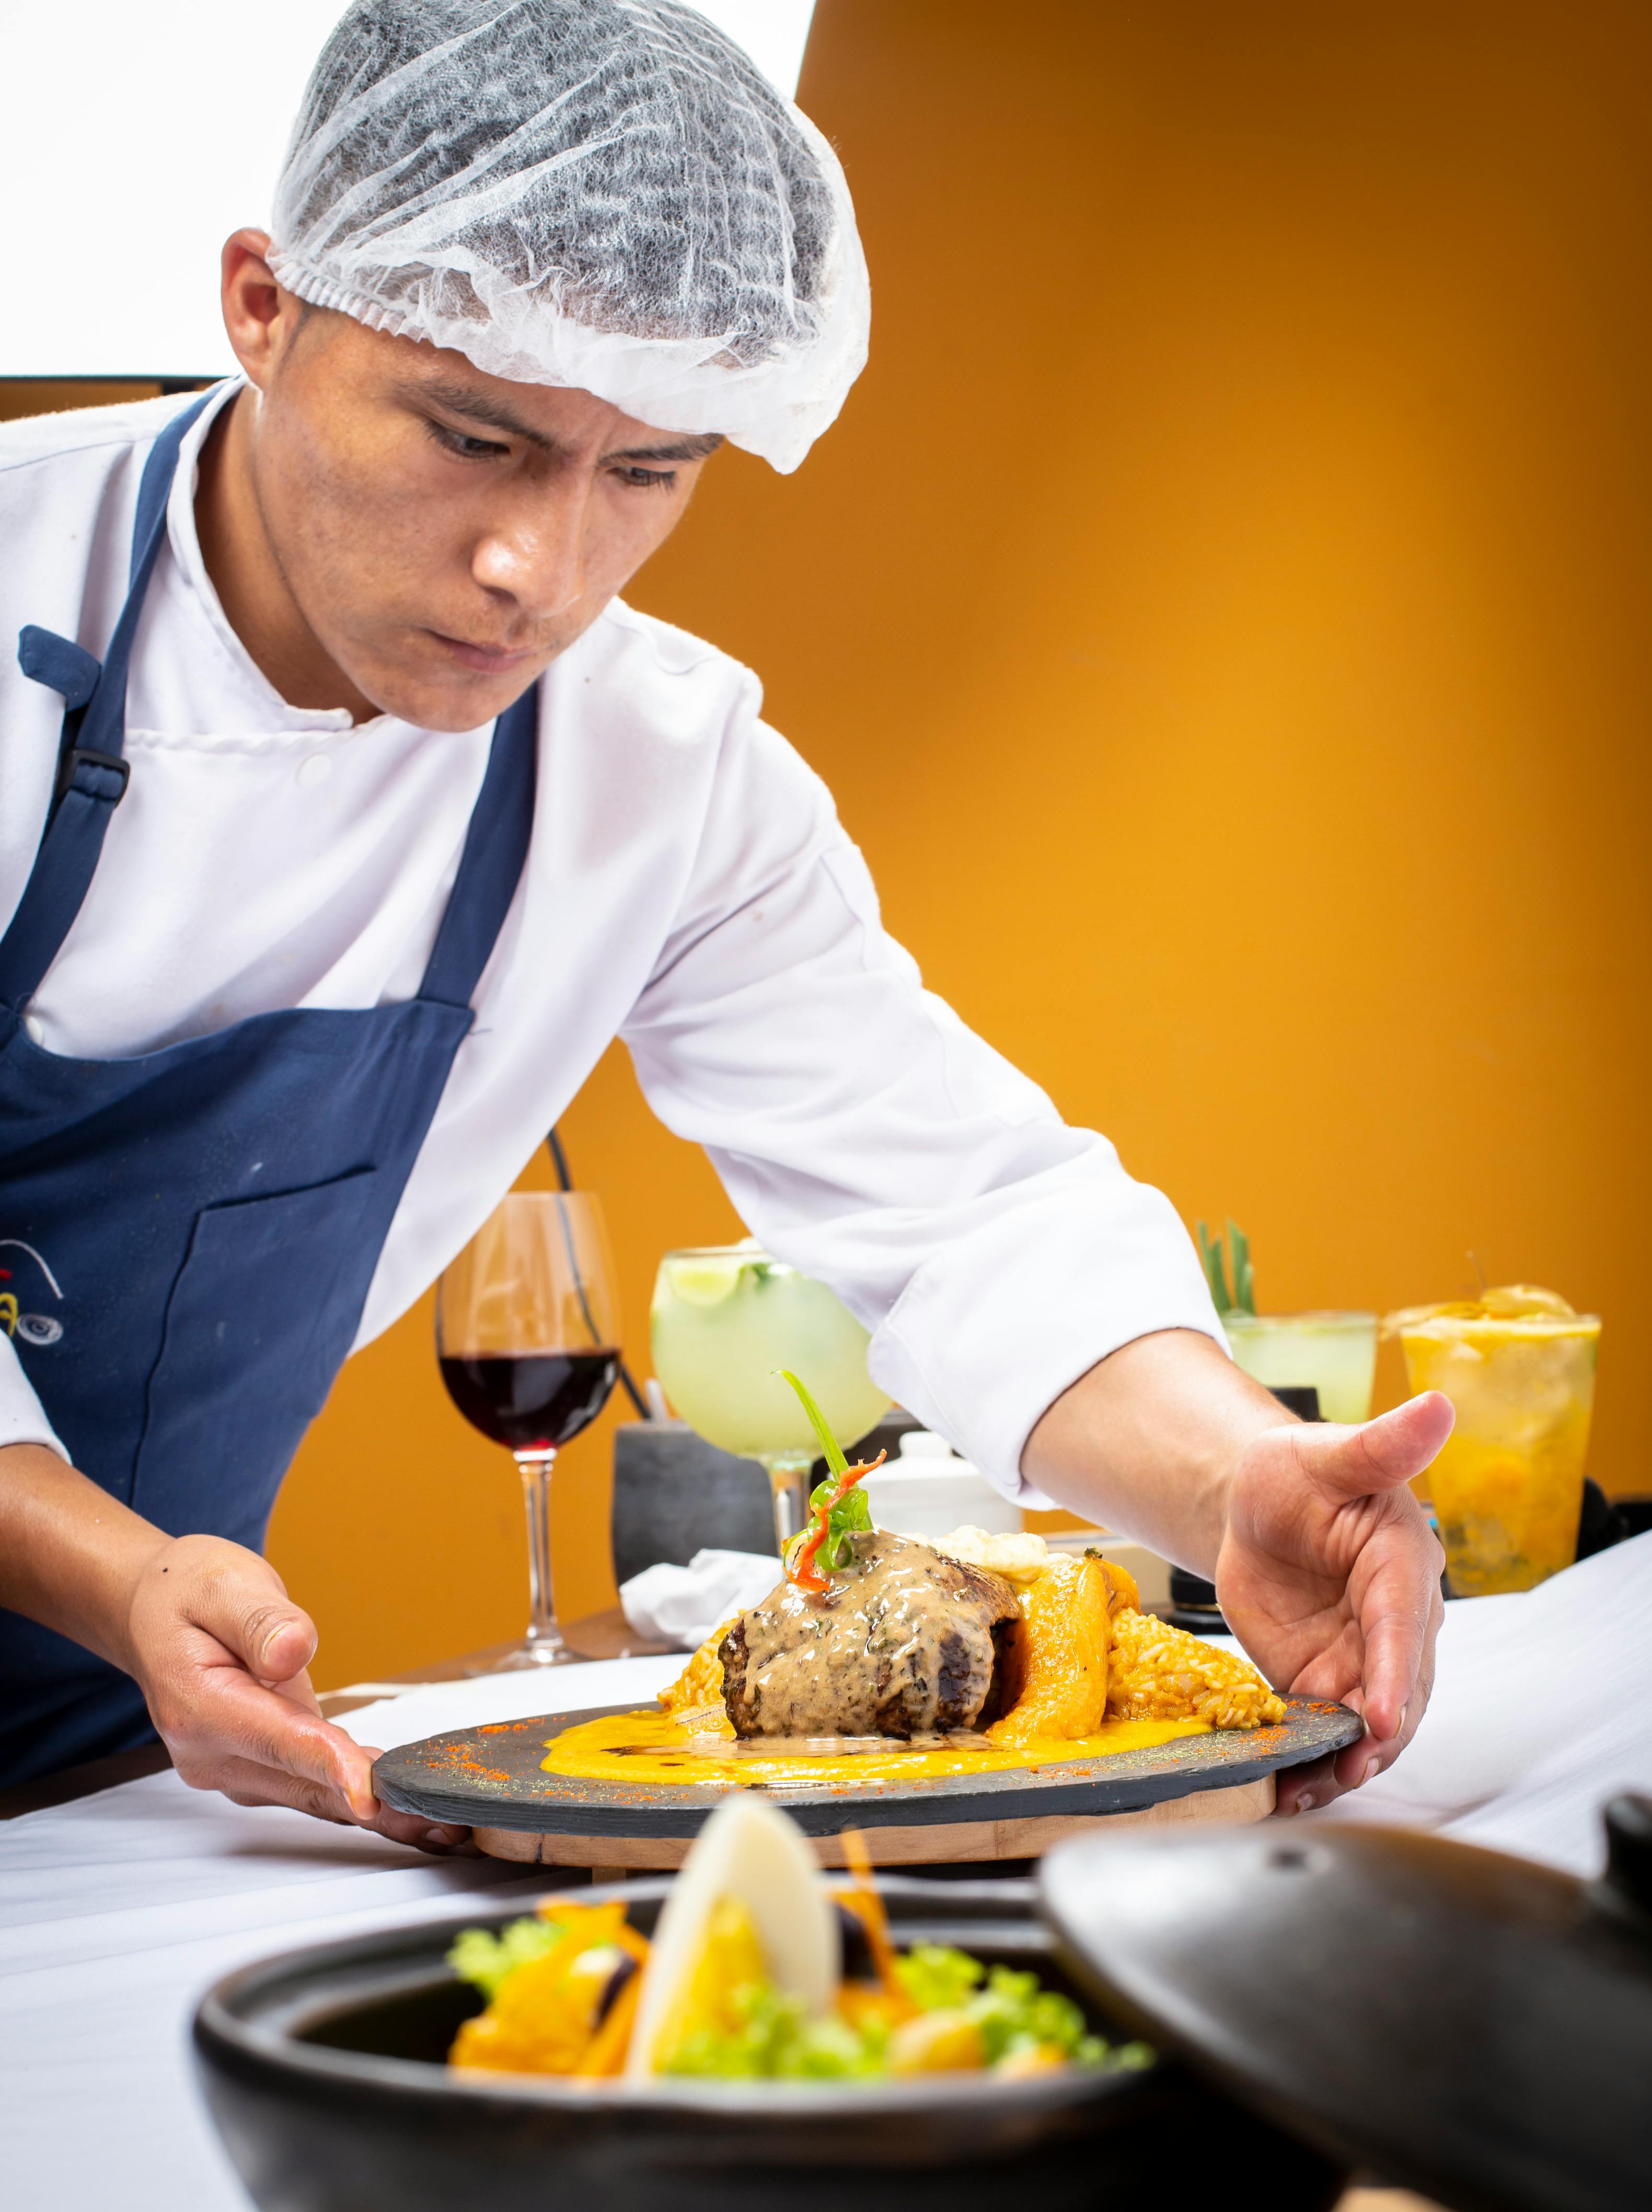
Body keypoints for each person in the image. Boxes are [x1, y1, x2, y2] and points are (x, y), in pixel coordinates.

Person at [0, 0, 1449, 1832]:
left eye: (647, 473)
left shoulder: (655, 766)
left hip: (92, 1760)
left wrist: (1236, 1471)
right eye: (473, 438)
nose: (544, 568)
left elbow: (958, 1208)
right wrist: (114, 1572)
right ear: (262, 306)